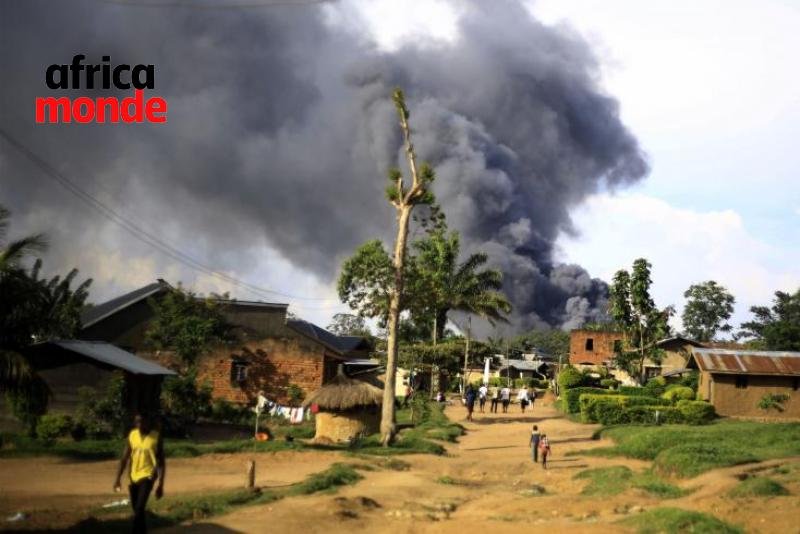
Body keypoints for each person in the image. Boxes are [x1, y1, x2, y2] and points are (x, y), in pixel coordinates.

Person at [114, 414, 165, 534]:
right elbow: (124, 458)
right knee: (137, 510)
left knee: (139, 507)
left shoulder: (156, 436)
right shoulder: (132, 435)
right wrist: (117, 478)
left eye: (142, 422)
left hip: (148, 476)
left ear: (148, 422)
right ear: (135, 423)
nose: (140, 424)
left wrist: (160, 484)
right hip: (133, 476)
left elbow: (161, 462)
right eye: (137, 422)